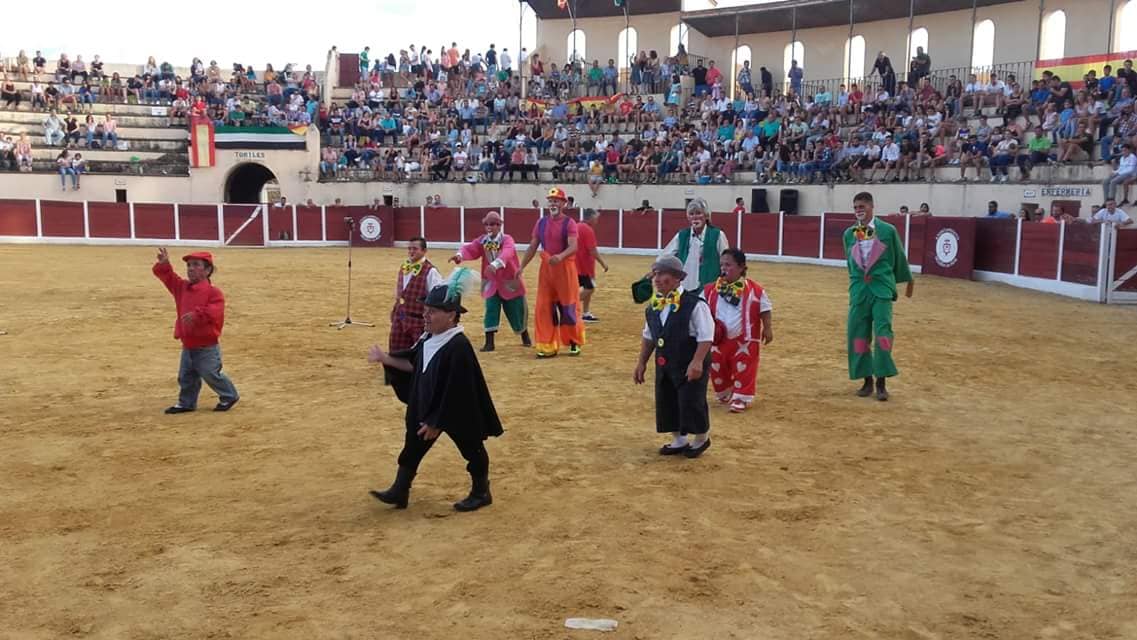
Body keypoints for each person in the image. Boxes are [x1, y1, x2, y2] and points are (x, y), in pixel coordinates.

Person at [367, 271, 502, 512]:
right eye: (425, 310)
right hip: (427, 406)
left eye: (432, 311)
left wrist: (437, 422)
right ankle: (400, 490)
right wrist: (386, 358)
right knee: (412, 447)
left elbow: (457, 392)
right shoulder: (428, 337)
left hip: (457, 411)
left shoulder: (458, 346)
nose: (425, 315)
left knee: (472, 449)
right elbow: (414, 364)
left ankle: (482, 491)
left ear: (451, 315)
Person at [633, 255, 714, 458]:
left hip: (689, 360)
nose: (657, 279)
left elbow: (706, 336)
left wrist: (697, 361)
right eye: (655, 274)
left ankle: (701, 438)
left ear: (677, 278)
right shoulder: (653, 306)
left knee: (691, 399)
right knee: (666, 398)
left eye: (662, 274)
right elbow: (649, 335)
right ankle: (678, 438)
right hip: (665, 362)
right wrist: (641, 362)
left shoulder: (695, 304)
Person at [844, 192, 914, 401]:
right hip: (859, 292)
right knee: (857, 334)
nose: (859, 210)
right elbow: (850, 264)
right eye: (856, 207)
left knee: (883, 334)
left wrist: (906, 280)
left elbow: (898, 257)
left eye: (862, 206)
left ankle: (881, 381)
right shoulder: (849, 234)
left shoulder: (887, 230)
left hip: (881, 289)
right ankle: (866, 380)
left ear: (872, 207)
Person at [152, 248, 239, 414]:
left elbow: (215, 311)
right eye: (189, 265)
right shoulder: (182, 288)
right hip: (188, 343)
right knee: (186, 376)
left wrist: (197, 315)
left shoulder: (214, 292)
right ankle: (186, 403)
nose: (190, 268)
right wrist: (164, 265)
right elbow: (169, 278)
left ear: (208, 270)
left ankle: (229, 395)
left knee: (211, 374)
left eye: (196, 265)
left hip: (207, 346)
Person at [703, 249, 773, 413]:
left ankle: (741, 397)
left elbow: (765, 309)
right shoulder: (710, 290)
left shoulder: (756, 290)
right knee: (717, 366)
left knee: (745, 368)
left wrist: (768, 328)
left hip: (746, 338)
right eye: (721, 264)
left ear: (742, 267)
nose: (724, 268)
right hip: (718, 338)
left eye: (728, 265)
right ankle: (726, 392)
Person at [450, 211, 532, 351]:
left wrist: (495, 264)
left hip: (509, 281)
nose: (489, 227)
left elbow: (508, 252)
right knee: (491, 309)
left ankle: (524, 334)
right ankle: (489, 342)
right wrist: (459, 255)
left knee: (516, 309)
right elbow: (470, 248)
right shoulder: (483, 241)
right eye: (487, 224)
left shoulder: (507, 239)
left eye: (493, 224)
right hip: (492, 282)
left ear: (499, 225)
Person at [518, 187, 584, 357]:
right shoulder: (541, 223)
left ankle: (573, 342)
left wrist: (560, 257)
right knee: (544, 307)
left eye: (556, 201)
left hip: (565, 269)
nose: (553, 204)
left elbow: (573, 246)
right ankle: (547, 345)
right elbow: (533, 246)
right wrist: (521, 266)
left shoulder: (569, 223)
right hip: (547, 268)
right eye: (551, 201)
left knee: (568, 306)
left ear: (563, 203)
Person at [661, 197, 730, 291]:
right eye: (691, 214)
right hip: (684, 286)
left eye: (698, 213)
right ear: (688, 217)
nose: (695, 217)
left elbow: (726, 261)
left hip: (710, 286)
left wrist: (725, 281)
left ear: (706, 216)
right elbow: (665, 258)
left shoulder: (718, 235)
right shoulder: (682, 235)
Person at [390, 237, 444, 352]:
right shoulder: (404, 267)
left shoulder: (431, 271)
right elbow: (401, 292)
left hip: (419, 321)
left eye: (415, 249)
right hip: (400, 317)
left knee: (419, 355)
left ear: (424, 251)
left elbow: (437, 299)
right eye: (409, 248)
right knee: (395, 351)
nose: (411, 251)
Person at [576, 208, 609, 323]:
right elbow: (592, 250)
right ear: (590, 218)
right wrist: (603, 263)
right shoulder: (588, 230)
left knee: (586, 288)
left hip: (576, 264)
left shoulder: (576, 226)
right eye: (596, 218)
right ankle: (569, 306)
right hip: (584, 266)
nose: (597, 221)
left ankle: (585, 313)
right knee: (589, 288)